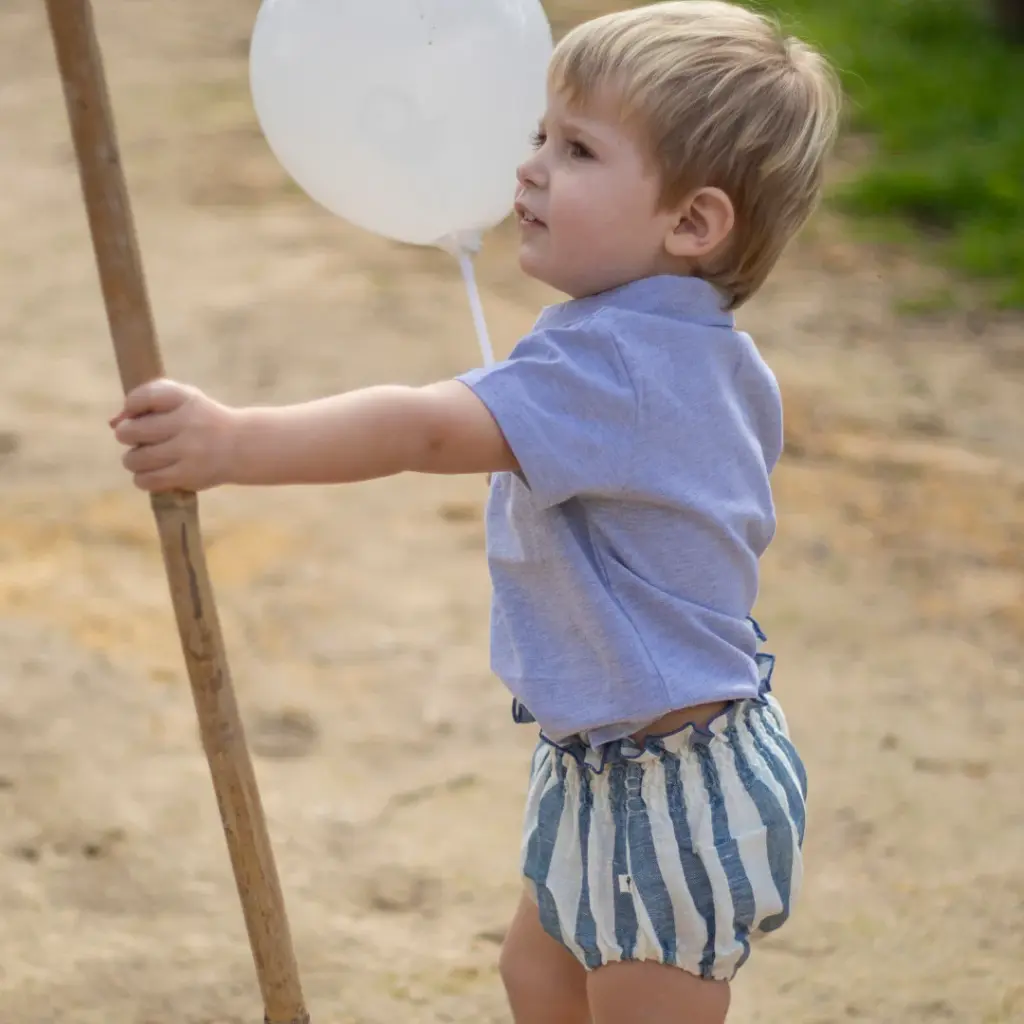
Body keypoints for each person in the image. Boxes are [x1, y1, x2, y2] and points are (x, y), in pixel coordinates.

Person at [110, 3, 841, 1020]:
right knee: (536, 975)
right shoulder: (693, 343)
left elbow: (423, 429)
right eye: (541, 133)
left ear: (692, 222)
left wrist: (237, 442)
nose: (530, 165)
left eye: (577, 149)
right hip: (605, 762)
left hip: (671, 788)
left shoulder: (618, 364)